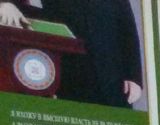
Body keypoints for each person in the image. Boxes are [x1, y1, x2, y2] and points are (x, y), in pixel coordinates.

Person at [0, 0, 144, 109]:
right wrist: (6, 3)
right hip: (70, 74)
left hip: (114, 79)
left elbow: (127, 29)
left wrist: (134, 77)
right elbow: (28, 8)